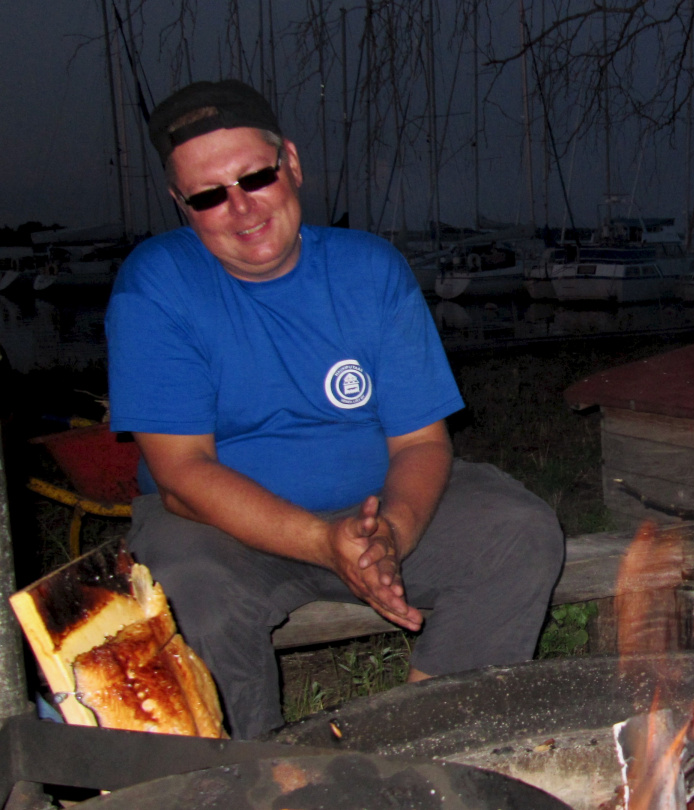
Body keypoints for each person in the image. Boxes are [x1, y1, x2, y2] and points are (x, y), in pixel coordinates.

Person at [105, 80, 564, 739]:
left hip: (372, 510)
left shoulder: (370, 270)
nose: (240, 209)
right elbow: (181, 473)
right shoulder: (155, 284)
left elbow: (421, 444)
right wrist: (323, 543)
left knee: (519, 531)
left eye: (254, 177)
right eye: (208, 196)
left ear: (290, 162)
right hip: (220, 532)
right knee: (188, 596)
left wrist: (392, 537)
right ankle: (249, 779)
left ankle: (431, 748)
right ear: (182, 205)